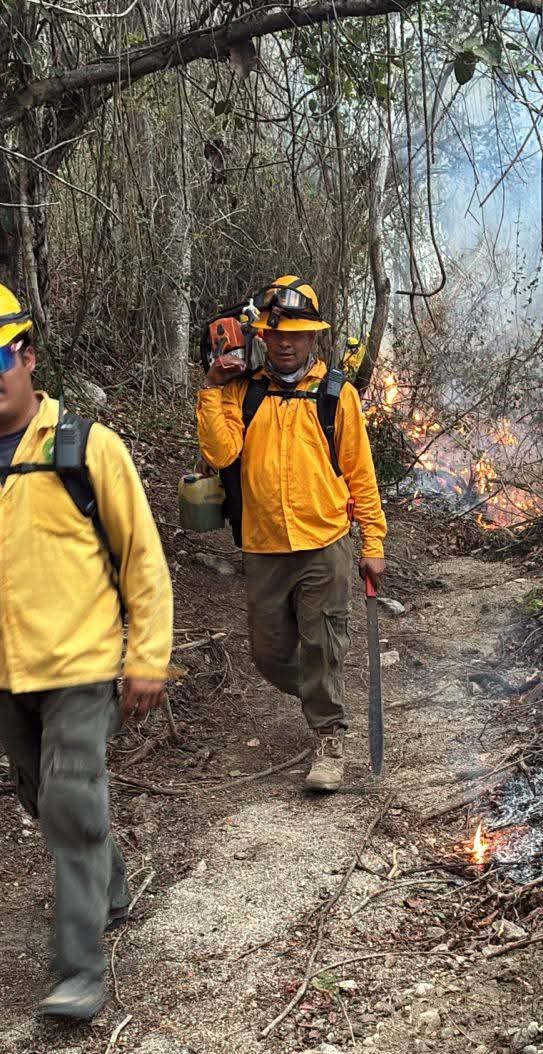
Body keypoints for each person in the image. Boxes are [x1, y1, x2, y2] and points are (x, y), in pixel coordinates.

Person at [0, 275, 173, 1021]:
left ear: (27, 354)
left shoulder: (87, 449)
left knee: (68, 795)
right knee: (42, 795)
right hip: (2, 673)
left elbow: (142, 559)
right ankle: (110, 886)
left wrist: (147, 655)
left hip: (84, 664)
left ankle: (79, 972)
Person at [196, 275, 387, 793]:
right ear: (261, 335)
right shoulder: (242, 392)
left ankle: (329, 738)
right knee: (269, 652)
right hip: (262, 545)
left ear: (313, 338)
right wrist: (212, 387)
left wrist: (373, 543)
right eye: (276, 333)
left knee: (322, 641)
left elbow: (360, 473)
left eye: (297, 334)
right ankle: (321, 692)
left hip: (324, 542)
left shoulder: (335, 396)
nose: (285, 342)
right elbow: (220, 454)